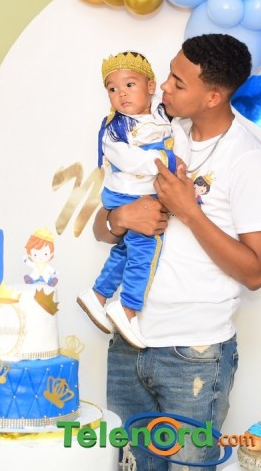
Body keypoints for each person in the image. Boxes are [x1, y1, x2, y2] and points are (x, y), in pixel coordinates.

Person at [94, 34, 261, 469]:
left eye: (178, 82)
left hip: (193, 353)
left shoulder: (247, 159)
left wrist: (188, 211)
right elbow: (104, 228)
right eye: (169, 75)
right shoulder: (157, 132)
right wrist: (121, 218)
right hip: (128, 339)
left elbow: (256, 272)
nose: (164, 87)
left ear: (213, 96)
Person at [77, 51, 188, 349]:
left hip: (141, 192)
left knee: (127, 250)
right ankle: (127, 309)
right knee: (146, 250)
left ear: (150, 86)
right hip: (127, 193)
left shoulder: (162, 117)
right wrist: (166, 160)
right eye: (112, 89)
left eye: (129, 85)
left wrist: (180, 163)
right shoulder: (115, 128)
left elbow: (180, 141)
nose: (121, 94)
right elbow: (128, 159)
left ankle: (98, 294)